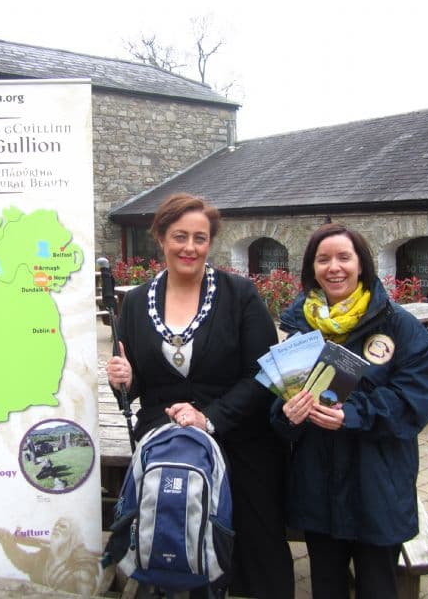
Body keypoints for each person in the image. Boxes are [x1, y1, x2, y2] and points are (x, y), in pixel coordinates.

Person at [106, 193, 295, 598]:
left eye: (200, 238)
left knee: (254, 548)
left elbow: (264, 374)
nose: (189, 247)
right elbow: (138, 386)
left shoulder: (240, 295)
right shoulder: (137, 302)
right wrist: (123, 378)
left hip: (240, 439)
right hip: (167, 443)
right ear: (160, 238)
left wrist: (209, 418)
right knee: (172, 543)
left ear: (210, 243)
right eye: (179, 236)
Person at [270, 223, 428, 598]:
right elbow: (277, 414)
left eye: (343, 257)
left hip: (376, 485)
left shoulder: (400, 326)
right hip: (317, 485)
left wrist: (354, 414)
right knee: (327, 586)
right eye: (323, 259)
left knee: (378, 586)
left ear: (361, 264)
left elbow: (420, 397)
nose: (334, 267)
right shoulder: (299, 330)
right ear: (312, 269)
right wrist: (288, 413)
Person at [0, 517, 101, 595]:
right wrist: (7, 542)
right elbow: (24, 563)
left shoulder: (83, 562)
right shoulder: (45, 554)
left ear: (72, 535)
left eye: (62, 526)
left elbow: (85, 594)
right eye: (56, 525)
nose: (56, 528)